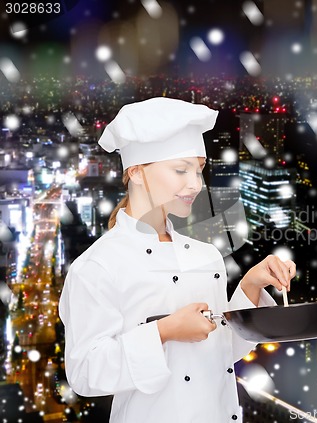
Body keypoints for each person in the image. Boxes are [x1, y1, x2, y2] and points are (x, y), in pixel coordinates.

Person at [58, 97, 296, 422]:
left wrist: (252, 283)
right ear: (137, 173)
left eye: (199, 171)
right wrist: (164, 331)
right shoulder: (98, 266)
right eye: (181, 170)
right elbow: (85, 373)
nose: (196, 184)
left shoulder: (206, 256)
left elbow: (221, 351)